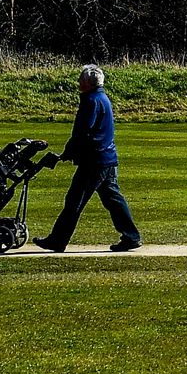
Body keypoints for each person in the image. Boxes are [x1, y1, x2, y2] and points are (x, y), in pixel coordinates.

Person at [34, 64, 142, 252]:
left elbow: (82, 133)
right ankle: (131, 236)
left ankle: (58, 240)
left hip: (94, 160)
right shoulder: (102, 98)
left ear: (87, 83)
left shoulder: (90, 101)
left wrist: (67, 153)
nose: (78, 81)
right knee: (113, 199)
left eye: (81, 79)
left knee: (74, 200)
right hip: (107, 158)